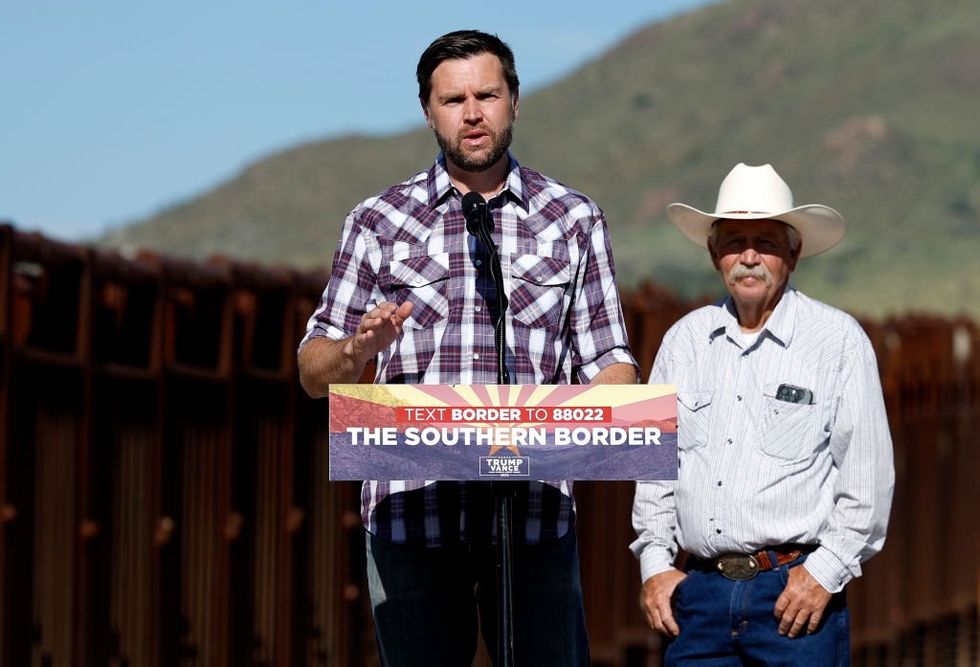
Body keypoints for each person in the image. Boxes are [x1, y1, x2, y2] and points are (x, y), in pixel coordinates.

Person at [298, 30, 638, 666]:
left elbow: (612, 364)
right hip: (411, 516)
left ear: (515, 100)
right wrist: (357, 350)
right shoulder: (378, 221)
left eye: (488, 94)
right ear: (428, 111)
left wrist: (568, 422)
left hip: (533, 513)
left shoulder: (572, 218)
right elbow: (313, 371)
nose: (473, 113)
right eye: (453, 99)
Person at [630, 163, 894, 665]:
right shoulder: (683, 342)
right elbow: (653, 471)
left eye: (766, 242)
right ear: (714, 254)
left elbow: (868, 484)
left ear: (793, 254)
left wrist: (823, 574)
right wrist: (655, 566)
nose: (749, 256)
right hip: (698, 598)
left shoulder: (837, 342)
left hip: (794, 598)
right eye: (734, 241)